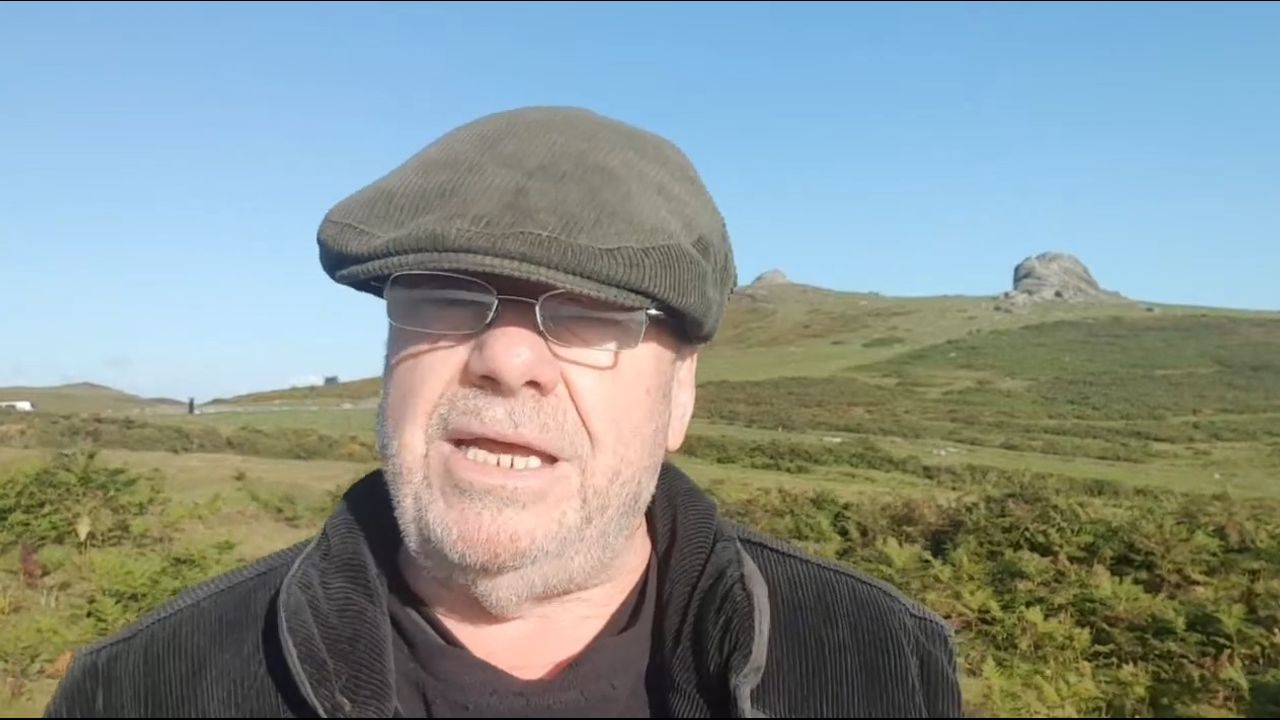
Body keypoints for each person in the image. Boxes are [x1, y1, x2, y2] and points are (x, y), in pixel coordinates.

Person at [43, 106, 963, 718]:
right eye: (447, 296)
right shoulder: (143, 687)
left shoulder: (880, 662)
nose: (507, 359)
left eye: (594, 313)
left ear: (679, 392)